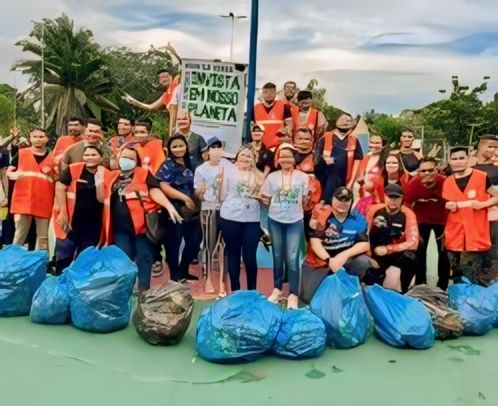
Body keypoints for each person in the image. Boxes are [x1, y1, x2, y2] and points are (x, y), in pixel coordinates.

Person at [100, 146, 180, 290]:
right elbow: (101, 197)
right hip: (120, 229)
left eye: (131, 159)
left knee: (145, 259)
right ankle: (124, 291)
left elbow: (154, 190)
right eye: (124, 157)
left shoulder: (143, 174)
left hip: (142, 228)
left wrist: (169, 206)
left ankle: (144, 290)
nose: (127, 161)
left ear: (136, 161)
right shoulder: (112, 176)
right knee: (123, 261)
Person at [300, 187, 372, 303]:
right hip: (321, 261)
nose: (342, 204)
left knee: (363, 262)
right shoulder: (323, 213)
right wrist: (330, 260)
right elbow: (315, 242)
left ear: (351, 202)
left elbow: (364, 244)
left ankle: (349, 290)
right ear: (333, 200)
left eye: (346, 200)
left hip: (345, 260)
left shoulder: (358, 218)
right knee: (308, 298)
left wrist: (343, 256)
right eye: (339, 200)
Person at [260, 143, 309, 309]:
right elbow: (265, 198)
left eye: (289, 156)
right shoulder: (272, 177)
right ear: (278, 159)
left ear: (294, 158)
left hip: (295, 220)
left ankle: (293, 293)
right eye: (282, 156)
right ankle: (277, 289)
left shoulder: (303, 177)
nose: (285, 159)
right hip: (275, 220)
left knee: (292, 257)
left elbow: (305, 199)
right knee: (277, 255)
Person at [442, 146, 496, 285]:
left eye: (461, 158)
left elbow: (496, 196)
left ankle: (472, 304)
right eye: (454, 159)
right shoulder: (447, 181)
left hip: (475, 234)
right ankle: (457, 302)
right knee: (456, 273)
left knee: (471, 274)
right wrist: (448, 205)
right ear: (449, 161)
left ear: (468, 159)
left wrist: (483, 204)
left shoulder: (481, 177)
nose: (458, 161)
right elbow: (447, 202)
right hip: (454, 234)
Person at [156, 135, 202, 282]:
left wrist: (198, 193)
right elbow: (163, 186)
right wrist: (184, 198)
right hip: (174, 209)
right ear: (169, 148)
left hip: (193, 210)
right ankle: (174, 276)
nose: (178, 149)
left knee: (194, 242)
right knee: (173, 244)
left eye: (181, 145)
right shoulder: (167, 165)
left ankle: (184, 270)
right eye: (174, 146)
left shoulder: (192, 162)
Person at [54, 146, 107, 273]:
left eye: (93, 155)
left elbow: (103, 199)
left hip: (94, 225)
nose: (89, 158)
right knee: (63, 259)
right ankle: (60, 285)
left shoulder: (106, 173)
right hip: (71, 223)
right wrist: (63, 212)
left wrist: (100, 180)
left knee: (85, 260)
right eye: (87, 155)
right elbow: (59, 187)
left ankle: (77, 286)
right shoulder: (74, 169)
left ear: (101, 158)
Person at [219, 145, 264, 292]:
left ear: (253, 159)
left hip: (251, 219)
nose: (245, 158)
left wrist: (260, 197)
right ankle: (235, 290)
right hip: (230, 216)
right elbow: (222, 193)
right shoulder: (228, 170)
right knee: (233, 253)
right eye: (243, 155)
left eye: (249, 156)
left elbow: (264, 197)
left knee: (250, 256)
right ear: (237, 156)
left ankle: (252, 291)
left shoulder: (259, 175)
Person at [194, 137, 233, 292]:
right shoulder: (201, 169)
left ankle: (223, 281)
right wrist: (200, 191)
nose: (216, 150)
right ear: (207, 151)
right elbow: (197, 192)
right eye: (213, 147)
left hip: (227, 210)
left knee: (224, 245)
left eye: (219, 147)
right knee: (210, 244)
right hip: (209, 209)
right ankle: (208, 277)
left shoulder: (229, 167)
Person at [404, 157, 450, 289]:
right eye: (423, 171)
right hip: (420, 222)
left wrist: (448, 229)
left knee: (443, 253)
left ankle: (443, 286)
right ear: (419, 172)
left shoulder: (445, 182)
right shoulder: (413, 185)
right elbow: (407, 208)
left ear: (437, 170)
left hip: (442, 222)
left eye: (430, 170)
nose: (427, 173)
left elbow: (452, 205)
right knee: (420, 253)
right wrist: (413, 230)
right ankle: (420, 283)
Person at [7, 127, 55, 250]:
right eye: (35, 136)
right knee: (19, 236)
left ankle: (42, 265)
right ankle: (13, 263)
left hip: (44, 201)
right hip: (23, 201)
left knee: (43, 239)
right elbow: (9, 171)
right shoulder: (21, 153)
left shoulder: (53, 158)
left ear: (46, 139)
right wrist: (12, 175)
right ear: (30, 139)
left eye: (41, 137)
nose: (38, 140)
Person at [366, 183, 419, 293]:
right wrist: (369, 255)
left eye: (397, 198)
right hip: (374, 252)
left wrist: (389, 249)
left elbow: (413, 242)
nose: (393, 201)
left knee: (410, 258)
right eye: (390, 197)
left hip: (395, 252)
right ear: (384, 197)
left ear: (402, 199)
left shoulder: (408, 214)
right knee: (371, 281)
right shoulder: (373, 210)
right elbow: (364, 234)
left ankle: (404, 291)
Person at [315, 113, 363, 202]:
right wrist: (324, 160)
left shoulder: (354, 140)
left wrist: (351, 182)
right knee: (327, 202)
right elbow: (317, 158)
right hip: (328, 177)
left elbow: (358, 160)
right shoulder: (326, 137)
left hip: (345, 179)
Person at [124, 68, 180, 136]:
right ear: (159, 81)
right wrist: (134, 101)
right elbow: (151, 107)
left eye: (166, 76)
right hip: (176, 126)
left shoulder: (176, 83)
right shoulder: (165, 96)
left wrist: (179, 75)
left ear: (171, 77)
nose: (164, 79)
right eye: (161, 78)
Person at [293, 127, 321, 239]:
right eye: (300, 138)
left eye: (307, 139)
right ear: (294, 140)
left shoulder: (317, 159)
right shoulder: (288, 155)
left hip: (309, 206)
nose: (304, 141)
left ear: (312, 141)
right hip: (289, 204)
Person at [254, 82, 293, 149]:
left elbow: (289, 125)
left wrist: (286, 134)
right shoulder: (256, 108)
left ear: (275, 93)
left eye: (271, 92)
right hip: (260, 145)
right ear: (262, 93)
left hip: (278, 145)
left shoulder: (284, 106)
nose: (269, 94)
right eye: (266, 92)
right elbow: (251, 127)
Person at [355, 134, 387, 215]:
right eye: (372, 142)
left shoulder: (386, 160)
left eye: (377, 143)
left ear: (383, 145)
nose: (374, 145)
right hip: (363, 199)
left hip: (379, 200)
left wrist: (373, 184)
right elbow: (359, 178)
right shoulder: (366, 158)